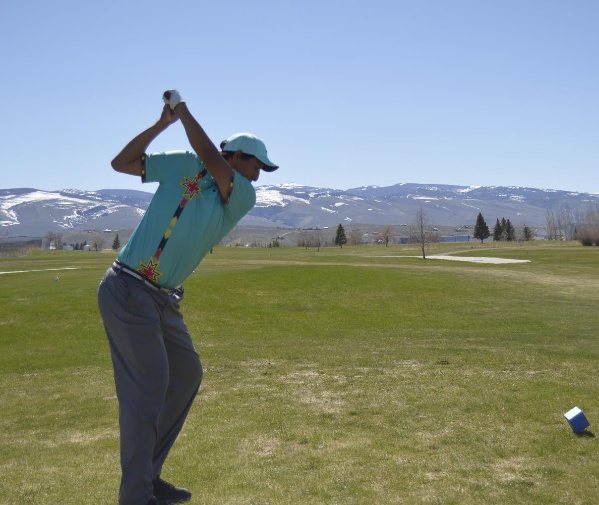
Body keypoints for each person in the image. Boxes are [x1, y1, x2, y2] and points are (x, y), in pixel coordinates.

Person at [97, 90, 279, 505]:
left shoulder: (241, 194)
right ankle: (136, 496)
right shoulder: (183, 162)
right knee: (149, 388)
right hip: (127, 288)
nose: (260, 175)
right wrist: (163, 124)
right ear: (236, 156)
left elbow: (209, 158)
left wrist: (182, 113)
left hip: (162, 299)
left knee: (186, 375)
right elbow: (121, 163)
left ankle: (149, 475)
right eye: (257, 165)